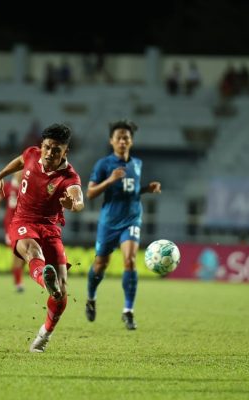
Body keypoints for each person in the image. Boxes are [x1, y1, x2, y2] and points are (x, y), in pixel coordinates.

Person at [0, 123, 84, 352]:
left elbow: (78, 200)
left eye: (57, 150)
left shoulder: (69, 177)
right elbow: (20, 161)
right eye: (48, 147)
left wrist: (73, 204)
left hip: (50, 229)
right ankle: (44, 278)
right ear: (41, 146)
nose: (51, 153)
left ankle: (44, 335)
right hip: (22, 221)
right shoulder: (31, 154)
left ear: (65, 152)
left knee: (61, 294)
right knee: (32, 250)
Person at [85, 119, 161, 330]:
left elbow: (132, 190)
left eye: (126, 138)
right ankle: (91, 298)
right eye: (118, 138)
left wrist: (147, 189)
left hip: (132, 219)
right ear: (111, 141)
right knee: (101, 264)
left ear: (131, 141)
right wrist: (109, 180)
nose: (122, 141)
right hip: (109, 222)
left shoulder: (137, 164)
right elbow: (90, 193)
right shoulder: (103, 165)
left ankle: (128, 311)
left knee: (130, 260)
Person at [0, 170, 26, 292]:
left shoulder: (27, 187)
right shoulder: (8, 186)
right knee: (18, 252)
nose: (21, 174)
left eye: (23, 172)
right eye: (19, 172)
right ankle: (18, 282)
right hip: (10, 225)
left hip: (25, 224)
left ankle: (17, 278)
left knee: (23, 254)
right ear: (15, 173)